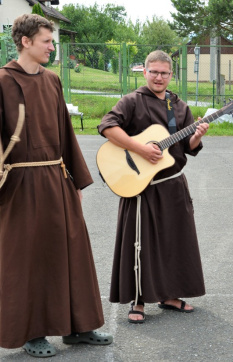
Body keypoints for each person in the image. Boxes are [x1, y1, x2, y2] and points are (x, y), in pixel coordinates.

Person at [0, 14, 112, 357]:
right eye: (47, 41)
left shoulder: (52, 80)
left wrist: (76, 179)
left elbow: (65, 130)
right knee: (29, 258)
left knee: (72, 252)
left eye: (52, 41)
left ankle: (78, 327)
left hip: (57, 178)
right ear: (26, 42)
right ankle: (33, 332)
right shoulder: (2, 81)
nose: (52, 47)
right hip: (20, 182)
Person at [98, 50, 208, 323]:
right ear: (144, 72)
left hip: (172, 185)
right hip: (141, 187)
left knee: (175, 242)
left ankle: (170, 295)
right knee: (139, 245)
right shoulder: (132, 101)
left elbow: (187, 149)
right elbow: (107, 126)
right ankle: (138, 301)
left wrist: (195, 136)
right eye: (154, 72)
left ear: (172, 75)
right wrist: (140, 149)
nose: (159, 77)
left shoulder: (179, 107)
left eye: (164, 73)